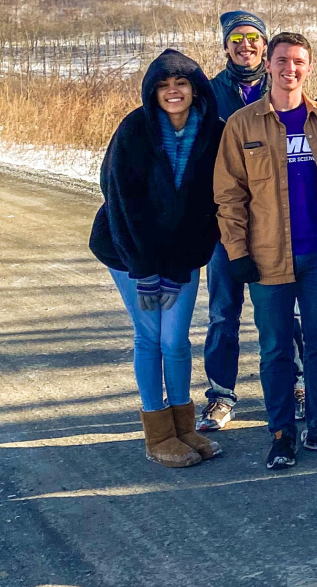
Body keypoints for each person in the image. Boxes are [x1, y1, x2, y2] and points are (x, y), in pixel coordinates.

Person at [214, 32, 317, 470]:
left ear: (309, 67)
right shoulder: (242, 124)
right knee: (276, 349)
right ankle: (281, 431)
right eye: (282, 60)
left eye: (298, 61)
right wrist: (237, 251)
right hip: (266, 259)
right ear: (269, 65)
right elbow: (229, 195)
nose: (289, 69)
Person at [90, 49, 225, 468]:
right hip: (128, 251)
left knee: (176, 340)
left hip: (181, 255)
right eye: (164, 85)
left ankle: (184, 427)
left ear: (195, 88)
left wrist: (186, 260)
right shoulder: (135, 129)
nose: (173, 92)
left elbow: (211, 206)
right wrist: (145, 270)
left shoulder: (214, 133)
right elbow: (121, 201)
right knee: (150, 338)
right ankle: (157, 435)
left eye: (181, 84)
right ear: (153, 91)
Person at [198, 10, 295, 431]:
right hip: (226, 224)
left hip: (277, 222)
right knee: (223, 312)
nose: (245, 45)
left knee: (284, 312)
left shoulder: (280, 91)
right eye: (236, 38)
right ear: (225, 45)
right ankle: (221, 394)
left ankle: (296, 384)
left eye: (253, 37)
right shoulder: (208, 94)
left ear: (266, 46)